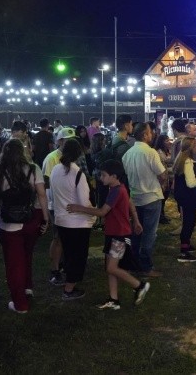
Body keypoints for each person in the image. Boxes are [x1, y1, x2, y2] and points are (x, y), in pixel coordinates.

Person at [66, 160, 150, 310]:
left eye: (104, 175)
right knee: (110, 267)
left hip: (119, 235)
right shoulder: (118, 188)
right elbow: (130, 203)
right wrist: (136, 221)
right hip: (114, 233)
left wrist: (79, 208)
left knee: (111, 268)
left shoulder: (116, 191)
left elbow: (102, 212)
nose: (101, 178)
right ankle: (113, 299)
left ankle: (139, 285)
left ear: (114, 176)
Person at [0, 139, 50, 313]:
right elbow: (42, 195)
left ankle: (20, 304)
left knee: (14, 264)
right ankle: (27, 288)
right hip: (30, 218)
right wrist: (45, 219)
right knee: (27, 255)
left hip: (9, 223)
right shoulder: (33, 169)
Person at [50, 139, 96, 300]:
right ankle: (69, 289)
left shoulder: (55, 170)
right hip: (78, 223)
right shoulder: (78, 174)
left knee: (68, 254)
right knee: (77, 256)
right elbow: (84, 202)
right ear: (79, 154)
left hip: (61, 220)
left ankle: (65, 280)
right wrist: (96, 213)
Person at [122, 122, 167, 277]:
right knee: (149, 234)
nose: (152, 134)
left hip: (135, 198)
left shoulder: (128, 154)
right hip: (151, 197)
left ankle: (135, 263)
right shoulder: (150, 152)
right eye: (150, 132)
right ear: (144, 135)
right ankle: (145, 266)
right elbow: (161, 174)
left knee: (136, 232)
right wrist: (163, 184)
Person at [42, 127, 78, 285]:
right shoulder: (52, 159)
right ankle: (55, 269)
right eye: (67, 140)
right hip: (56, 204)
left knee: (67, 237)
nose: (70, 143)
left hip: (70, 203)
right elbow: (47, 183)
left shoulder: (72, 157)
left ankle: (64, 264)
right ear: (60, 141)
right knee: (58, 238)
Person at [172, 137, 196, 262]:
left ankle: (186, 245)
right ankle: (184, 252)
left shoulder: (180, 158)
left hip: (183, 195)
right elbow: (190, 183)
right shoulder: (188, 162)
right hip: (188, 195)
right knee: (188, 221)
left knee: (190, 219)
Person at [153, 133, 173, 225]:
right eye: (166, 141)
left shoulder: (167, 150)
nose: (169, 142)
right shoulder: (158, 152)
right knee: (162, 198)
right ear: (161, 142)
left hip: (168, 178)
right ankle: (160, 216)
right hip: (162, 179)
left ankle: (162, 215)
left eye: (169, 140)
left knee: (165, 197)